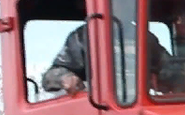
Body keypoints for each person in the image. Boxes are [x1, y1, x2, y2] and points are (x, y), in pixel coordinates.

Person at [41, 20, 170, 95]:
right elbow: (50, 76)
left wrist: (169, 78)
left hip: (144, 107)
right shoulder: (83, 36)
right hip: (101, 110)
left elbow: (169, 69)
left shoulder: (145, 37)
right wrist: (65, 78)